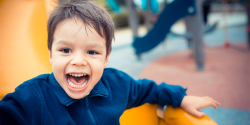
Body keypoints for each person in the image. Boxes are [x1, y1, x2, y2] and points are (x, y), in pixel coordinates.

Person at [0, 0, 220, 124]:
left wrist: (180, 98)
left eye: (92, 52)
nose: (78, 61)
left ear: (106, 58)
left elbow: (146, 89)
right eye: (65, 50)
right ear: (51, 55)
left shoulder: (116, 84)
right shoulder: (34, 97)